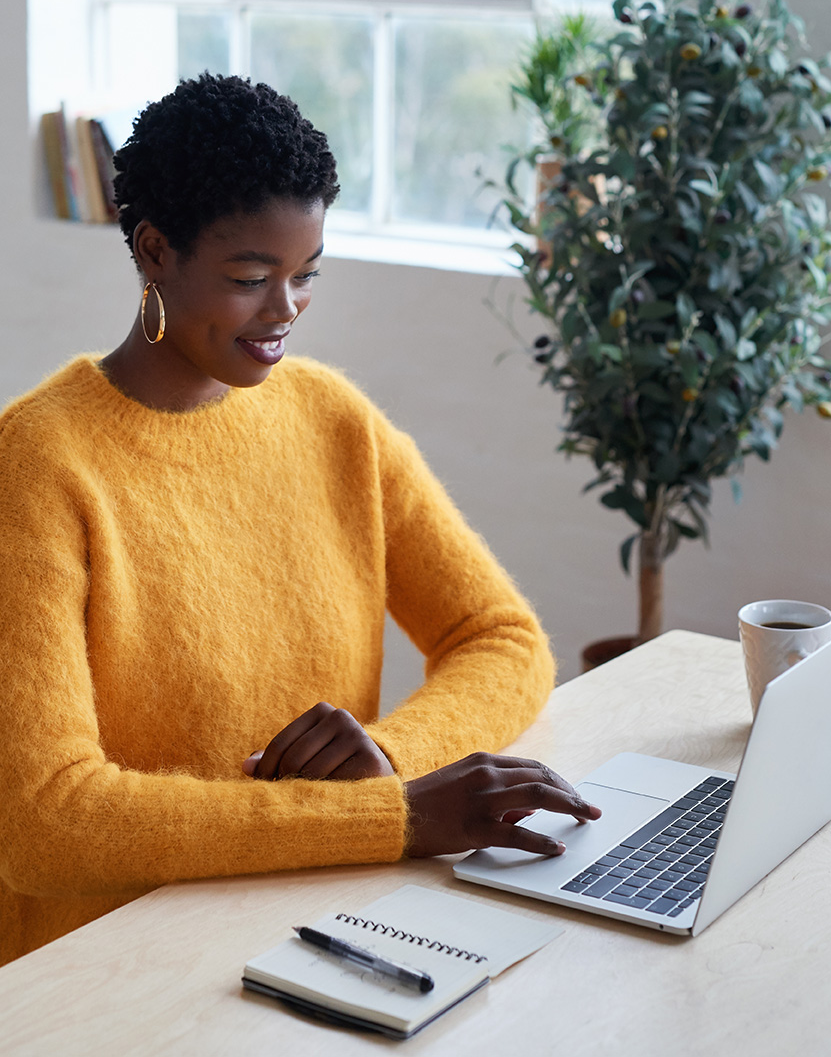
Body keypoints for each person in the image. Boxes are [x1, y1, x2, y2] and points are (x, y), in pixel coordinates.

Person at [0, 74, 599, 967]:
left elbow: (502, 637)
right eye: (250, 278)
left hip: (324, 925)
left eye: (306, 274)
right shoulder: (38, 463)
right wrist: (390, 816)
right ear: (156, 250)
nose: (284, 312)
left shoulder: (332, 420)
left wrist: (392, 756)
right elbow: (49, 824)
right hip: (108, 967)